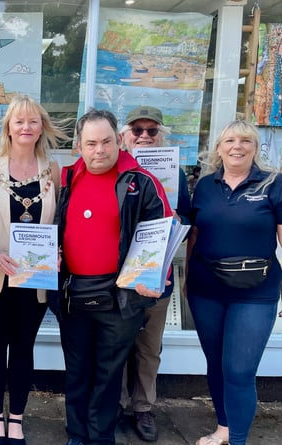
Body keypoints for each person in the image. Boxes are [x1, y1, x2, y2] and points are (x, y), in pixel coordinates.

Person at [51, 109, 172, 445]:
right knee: (77, 372)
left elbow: (161, 237)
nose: (99, 150)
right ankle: (77, 435)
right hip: (74, 292)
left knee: (108, 375)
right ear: (78, 146)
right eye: (91, 143)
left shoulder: (142, 182)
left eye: (106, 141)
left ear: (118, 140)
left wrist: (156, 277)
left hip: (120, 297)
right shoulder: (67, 179)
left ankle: (101, 437)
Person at [0, 95, 65, 445]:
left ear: (42, 128)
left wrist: (58, 252)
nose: (26, 127)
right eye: (19, 121)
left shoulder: (52, 170)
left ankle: (17, 420)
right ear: (8, 127)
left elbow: (59, 223)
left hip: (34, 278)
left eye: (33, 121)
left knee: (24, 347)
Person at [186, 120, 282, 445]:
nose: (236, 146)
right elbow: (193, 236)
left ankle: (238, 440)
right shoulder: (204, 186)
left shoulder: (273, 183)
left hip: (256, 293)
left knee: (239, 371)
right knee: (216, 364)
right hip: (206, 291)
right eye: (229, 140)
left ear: (255, 148)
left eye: (245, 140)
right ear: (218, 149)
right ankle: (224, 429)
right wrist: (186, 281)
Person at [118, 106, 191, 442]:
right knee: (116, 343)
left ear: (162, 136)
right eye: (137, 130)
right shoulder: (114, 170)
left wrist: (175, 218)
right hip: (117, 277)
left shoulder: (176, 176)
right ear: (124, 136)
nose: (145, 136)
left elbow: (190, 227)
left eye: (152, 131)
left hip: (158, 275)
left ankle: (143, 407)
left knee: (149, 347)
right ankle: (115, 404)